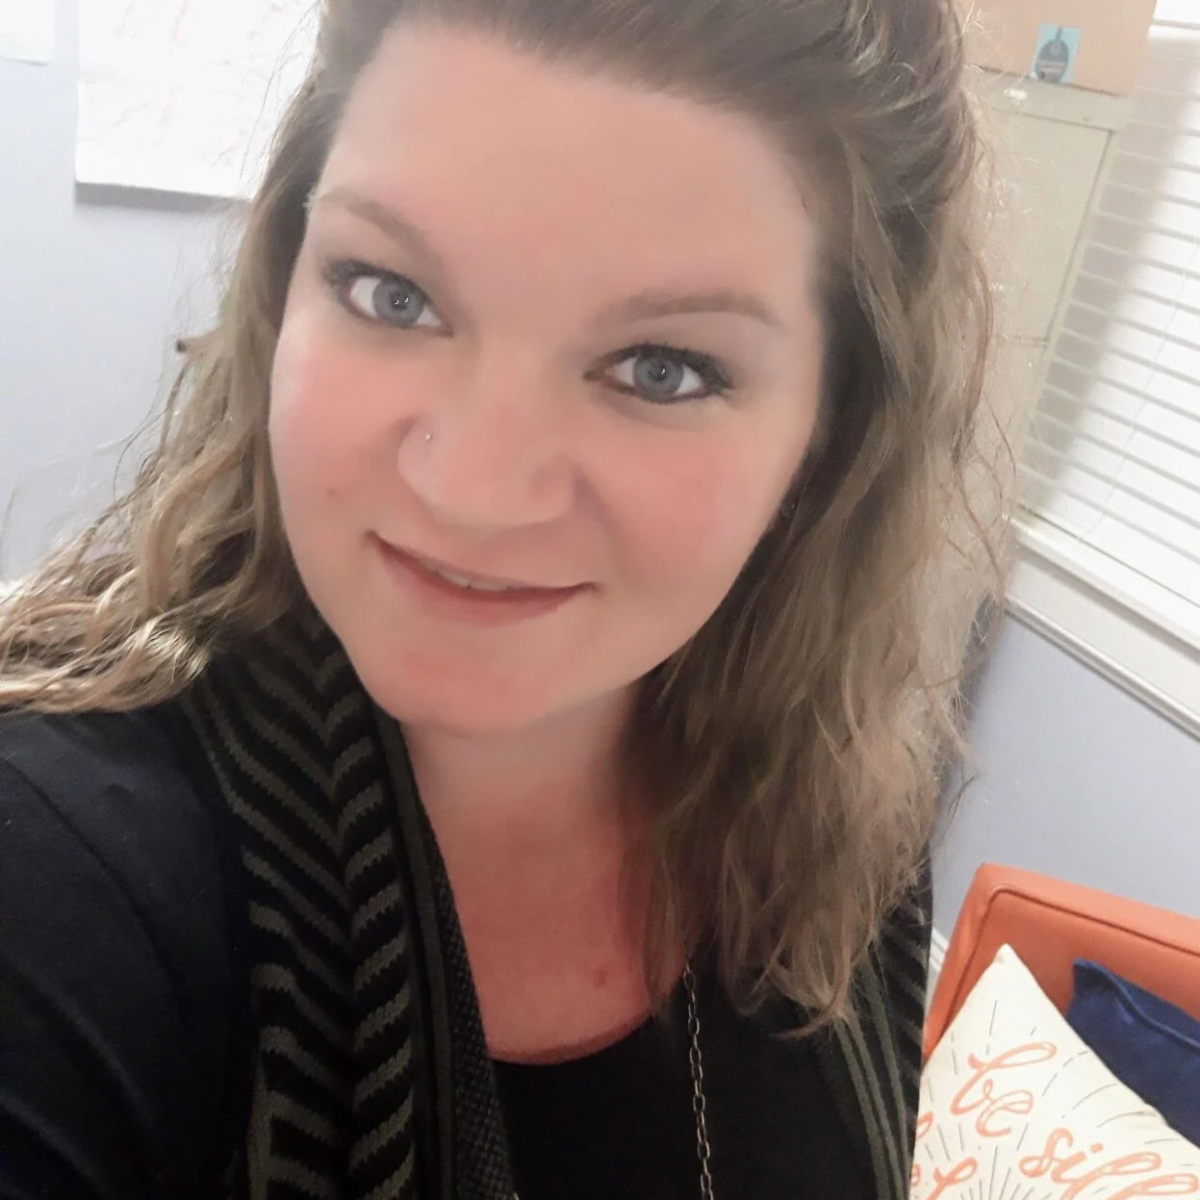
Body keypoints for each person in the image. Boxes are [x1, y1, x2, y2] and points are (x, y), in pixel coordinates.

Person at [0, 0, 1007, 1197]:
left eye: (661, 369)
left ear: (830, 435)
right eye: (391, 293)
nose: (472, 490)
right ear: (284, 284)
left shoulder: (842, 816)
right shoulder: (55, 872)